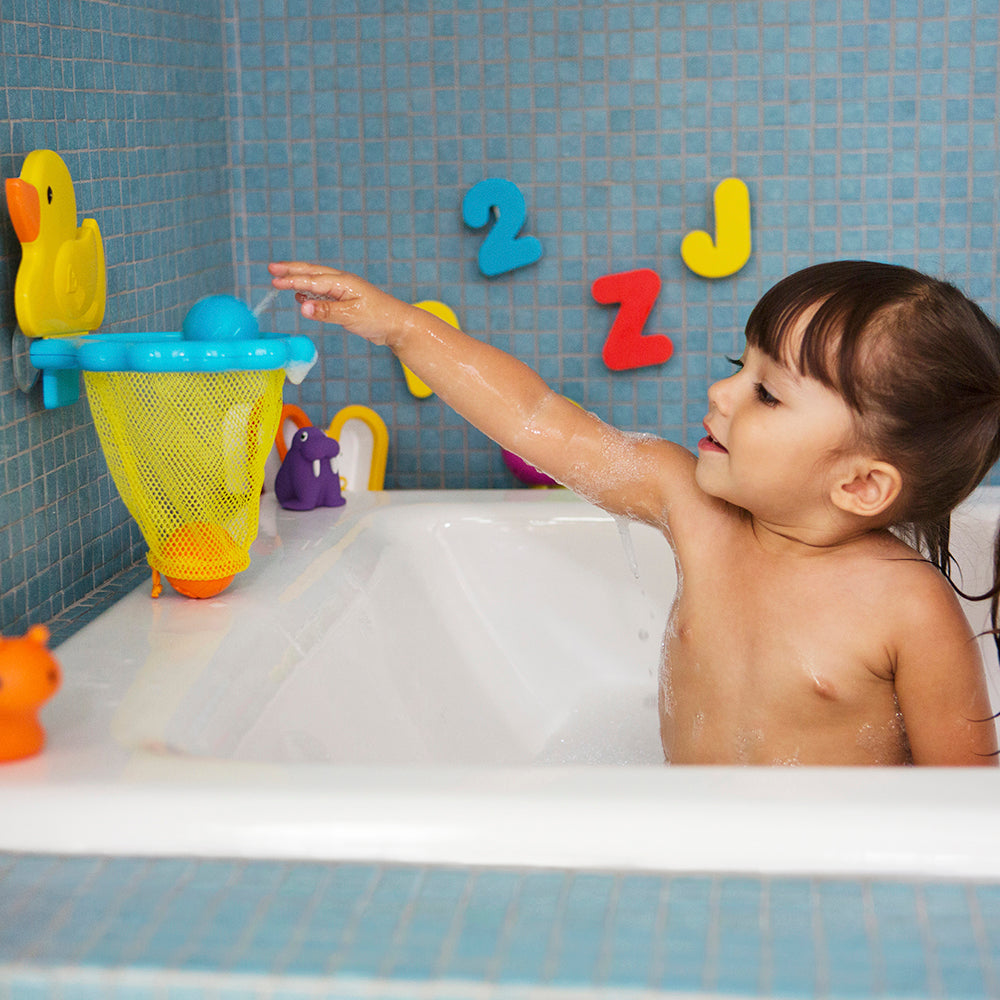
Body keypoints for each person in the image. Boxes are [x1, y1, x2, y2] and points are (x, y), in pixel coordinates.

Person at [269, 259, 1000, 766]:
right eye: (734, 367)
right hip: (677, 847)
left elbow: (961, 804)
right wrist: (401, 327)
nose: (722, 395)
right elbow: (535, 417)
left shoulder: (908, 609)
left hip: (826, 883)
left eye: (767, 394)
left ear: (861, 485)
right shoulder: (690, 504)